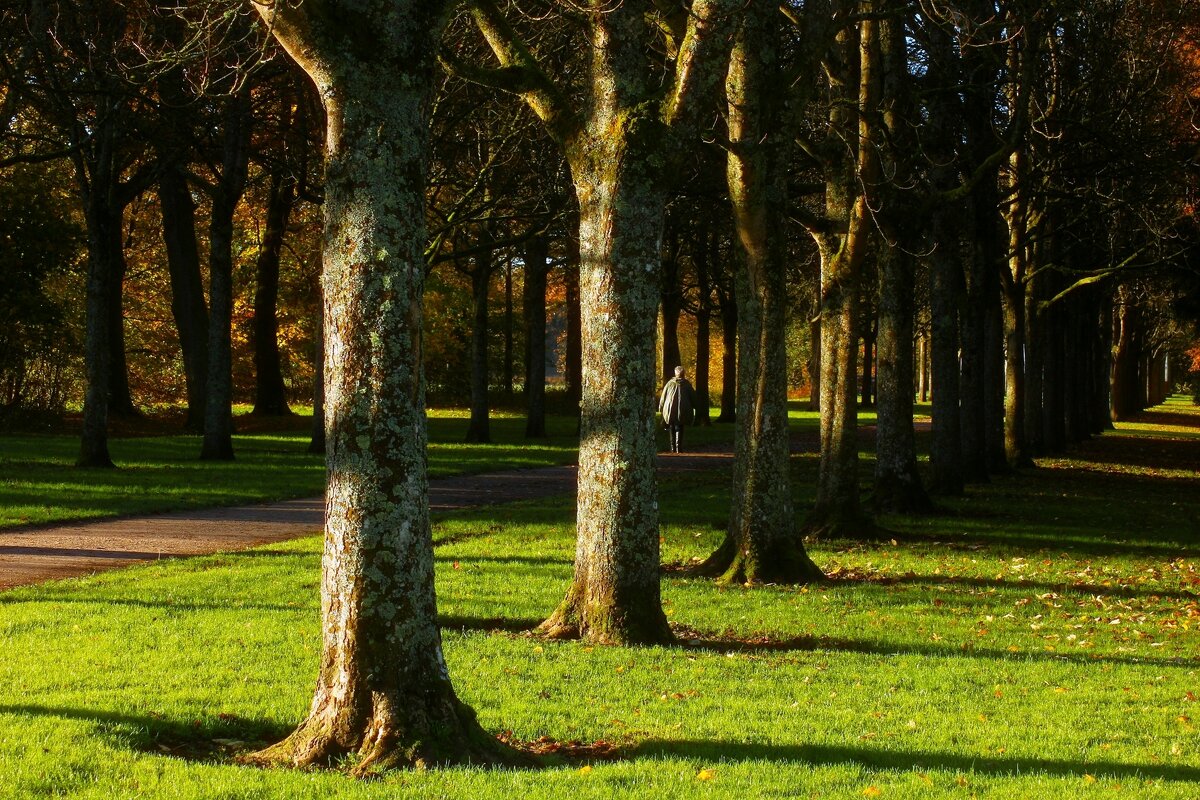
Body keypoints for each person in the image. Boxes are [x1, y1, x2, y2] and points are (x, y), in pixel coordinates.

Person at [658, 365, 697, 453]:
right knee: (680, 426)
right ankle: (678, 447)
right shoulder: (687, 384)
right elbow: (693, 397)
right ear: (684, 374)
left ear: (675, 374)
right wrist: (695, 405)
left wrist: (661, 407)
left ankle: (672, 447)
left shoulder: (669, 383)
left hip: (669, 409)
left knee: (671, 426)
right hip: (683, 409)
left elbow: (663, 397)